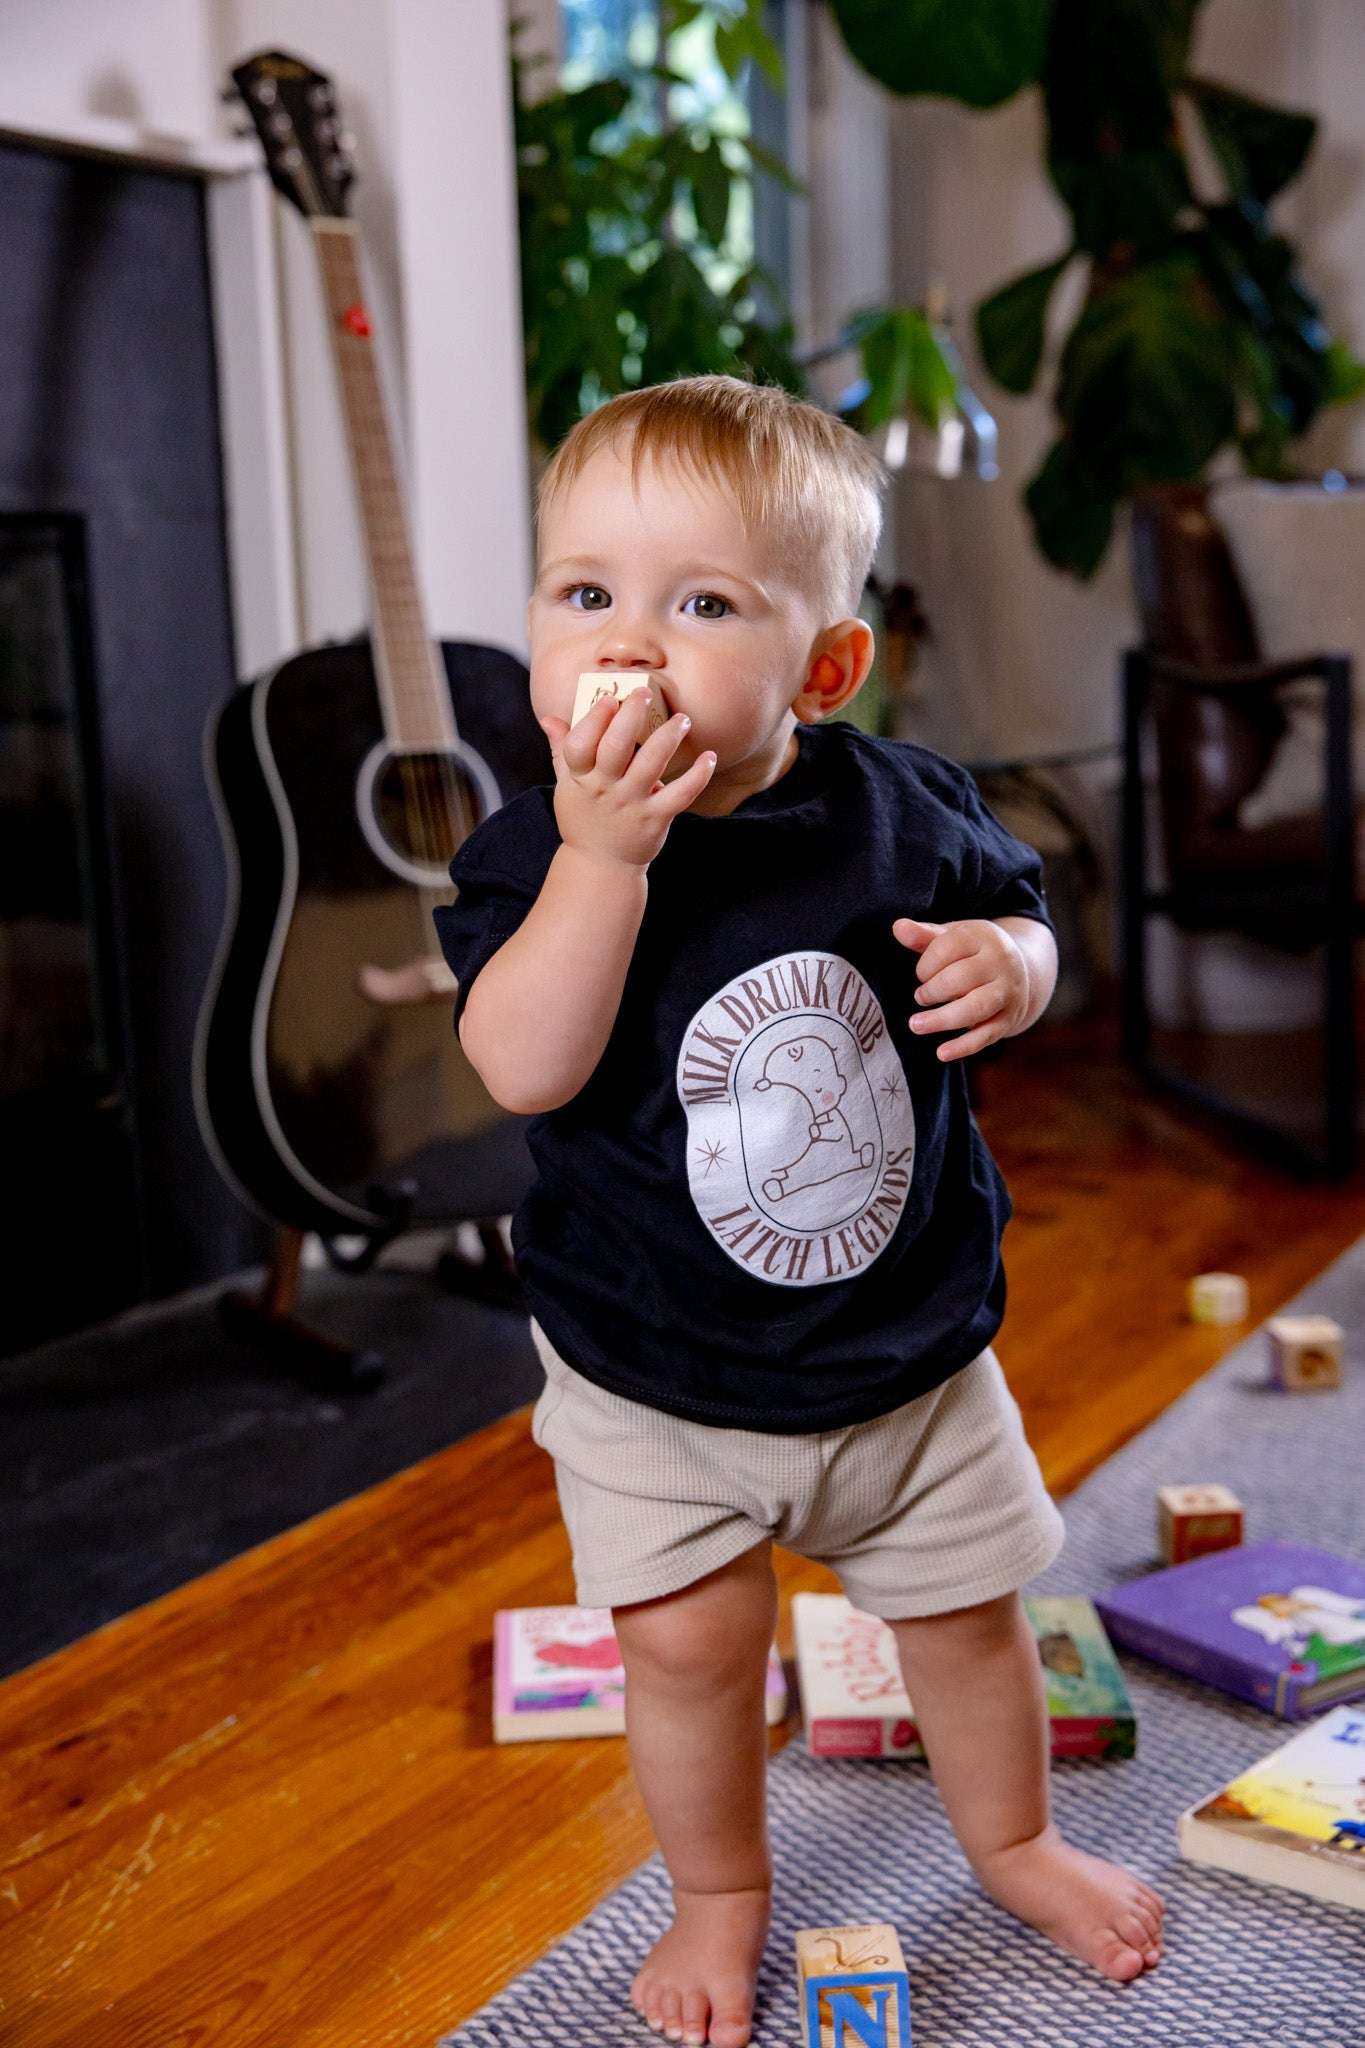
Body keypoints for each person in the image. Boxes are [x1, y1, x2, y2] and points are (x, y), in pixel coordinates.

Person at [433, 374, 1164, 2048]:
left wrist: (1020, 967)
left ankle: (1014, 1843)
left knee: (967, 1631)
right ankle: (718, 1895)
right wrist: (603, 863)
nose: (628, 643)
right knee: (689, 1653)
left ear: (822, 668)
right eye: (584, 594)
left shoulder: (897, 808)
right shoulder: (531, 852)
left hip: (901, 1356)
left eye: (701, 603)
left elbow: (1023, 914)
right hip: (651, 1375)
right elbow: (523, 1066)